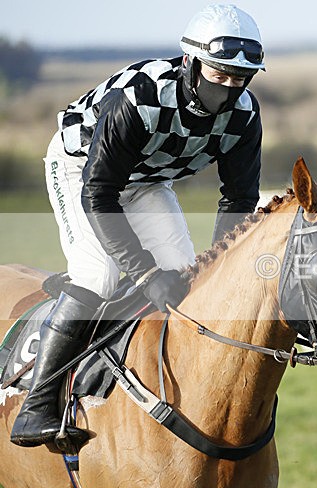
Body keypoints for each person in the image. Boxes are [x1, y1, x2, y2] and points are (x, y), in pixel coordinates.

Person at [11, 4, 266, 448]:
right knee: (101, 275)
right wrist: (145, 274)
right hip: (81, 172)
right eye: (218, 74)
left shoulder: (244, 115)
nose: (227, 90)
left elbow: (239, 199)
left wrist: (221, 266)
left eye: (238, 79)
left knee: (190, 280)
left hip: (147, 181)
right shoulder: (138, 98)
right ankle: (36, 402)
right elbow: (99, 194)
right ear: (190, 62)